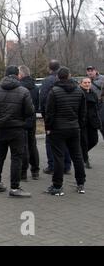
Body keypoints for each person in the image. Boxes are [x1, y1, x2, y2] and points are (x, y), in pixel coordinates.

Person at [0, 65, 34, 198]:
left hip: (1, 129)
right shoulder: (24, 91)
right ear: (18, 75)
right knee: (16, 158)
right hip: (17, 129)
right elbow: (30, 111)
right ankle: (14, 187)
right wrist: (23, 121)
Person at [44, 67, 86, 196]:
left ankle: (57, 186)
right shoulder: (79, 91)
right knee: (77, 156)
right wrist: (78, 125)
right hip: (74, 128)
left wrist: (48, 128)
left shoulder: (54, 92)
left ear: (58, 77)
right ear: (70, 76)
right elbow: (82, 113)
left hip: (58, 129)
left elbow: (49, 113)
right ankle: (80, 184)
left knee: (58, 157)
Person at [39, 60, 72, 175]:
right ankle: (67, 165)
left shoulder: (48, 81)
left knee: (50, 141)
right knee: (66, 141)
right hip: (68, 117)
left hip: (53, 117)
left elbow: (43, 99)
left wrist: (45, 116)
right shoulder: (69, 80)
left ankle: (52, 165)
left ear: (49, 69)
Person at [18, 65, 40, 180]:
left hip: (22, 119)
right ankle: (35, 170)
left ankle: (23, 172)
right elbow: (37, 104)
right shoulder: (35, 88)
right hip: (32, 119)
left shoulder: (19, 87)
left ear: (20, 74)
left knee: (23, 146)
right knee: (33, 145)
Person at [79, 77, 101, 169]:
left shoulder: (93, 94)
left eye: (88, 82)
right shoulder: (79, 93)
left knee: (94, 140)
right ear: (81, 84)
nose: (87, 84)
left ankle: (80, 154)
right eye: (85, 82)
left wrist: (98, 121)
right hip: (83, 121)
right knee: (84, 141)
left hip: (92, 121)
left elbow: (96, 109)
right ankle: (85, 159)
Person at [86, 65, 104, 138]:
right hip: (92, 105)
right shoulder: (86, 81)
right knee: (97, 123)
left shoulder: (102, 79)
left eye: (91, 70)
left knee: (101, 121)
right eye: (88, 71)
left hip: (101, 103)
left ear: (95, 71)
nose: (90, 72)